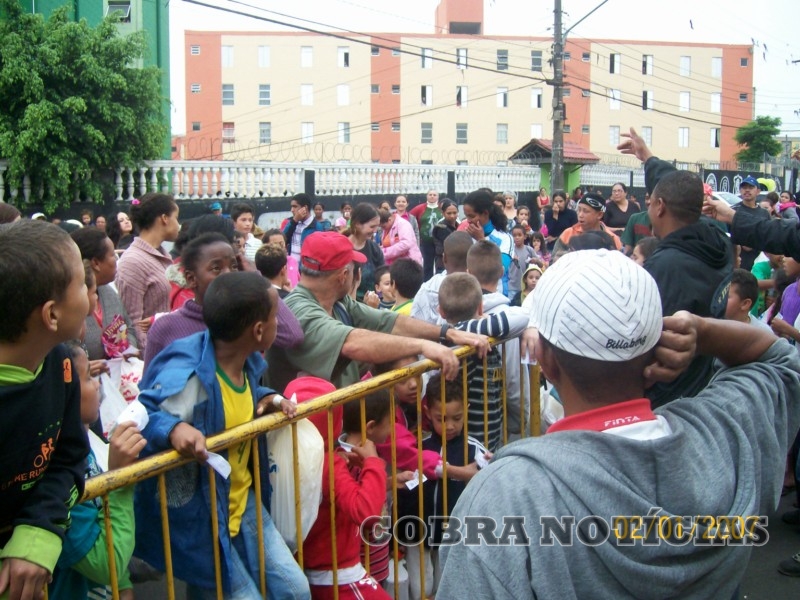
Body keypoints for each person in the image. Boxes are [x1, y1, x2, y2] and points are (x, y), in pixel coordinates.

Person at [438, 249, 800, 600]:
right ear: (657, 346)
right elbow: (780, 361)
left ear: (545, 361)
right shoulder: (723, 436)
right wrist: (702, 332)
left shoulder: (506, 497)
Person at [134, 272, 308, 599]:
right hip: (204, 516)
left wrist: (269, 398)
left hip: (244, 499)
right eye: (275, 317)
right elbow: (139, 415)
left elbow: (241, 396)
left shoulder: (247, 362)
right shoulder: (190, 376)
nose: (279, 323)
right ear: (259, 331)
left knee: (294, 591)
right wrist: (172, 428)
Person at [267, 231, 489, 391]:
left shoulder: (339, 302)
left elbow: (389, 321)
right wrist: (423, 346)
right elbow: (352, 342)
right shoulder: (298, 309)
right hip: (305, 436)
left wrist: (446, 333)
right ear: (344, 276)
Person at [0, 221, 90, 600]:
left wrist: (39, 528)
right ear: (51, 314)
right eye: (83, 283)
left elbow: (68, 458)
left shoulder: (59, 362)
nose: (91, 295)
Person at [49, 342, 145, 599]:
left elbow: (100, 515)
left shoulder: (79, 444)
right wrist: (119, 480)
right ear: (63, 392)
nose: (98, 384)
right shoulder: (55, 468)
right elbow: (106, 564)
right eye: (88, 377)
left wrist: (122, 584)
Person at [145, 234, 304, 369]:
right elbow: (149, 387)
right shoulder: (166, 327)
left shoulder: (245, 318)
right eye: (216, 268)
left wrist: (255, 277)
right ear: (191, 278)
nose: (228, 275)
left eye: (234, 267)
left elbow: (292, 336)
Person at [296, 378, 391, 600]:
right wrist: (373, 463)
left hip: (314, 571)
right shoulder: (329, 464)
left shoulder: (298, 457)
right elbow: (367, 513)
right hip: (338, 575)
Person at [437, 272, 527, 451]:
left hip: (485, 437)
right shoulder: (458, 335)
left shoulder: (457, 333)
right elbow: (523, 317)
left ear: (441, 311)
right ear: (480, 307)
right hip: (470, 446)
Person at [115, 192, 180, 353]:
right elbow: (132, 322)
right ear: (164, 218)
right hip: (154, 355)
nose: (178, 225)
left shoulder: (161, 255)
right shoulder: (133, 261)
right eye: (176, 218)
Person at [71, 227, 139, 374]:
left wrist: (127, 349)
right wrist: (82, 369)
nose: (116, 259)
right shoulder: (71, 305)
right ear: (96, 263)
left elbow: (129, 327)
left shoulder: (109, 292)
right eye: (112, 254)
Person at [410, 232, 473, 325]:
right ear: (471, 259)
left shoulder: (428, 289)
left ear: (444, 258)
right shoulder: (478, 287)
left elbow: (415, 323)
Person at [462, 189, 514, 297]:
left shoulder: (505, 238)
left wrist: (481, 240)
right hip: (470, 297)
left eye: (472, 216)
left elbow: (499, 270)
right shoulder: (466, 237)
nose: (468, 221)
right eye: (466, 216)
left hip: (496, 297)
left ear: (485, 213)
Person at [553, 192, 622, 254]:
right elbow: (554, 259)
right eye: (579, 210)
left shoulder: (613, 239)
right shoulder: (568, 233)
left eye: (585, 211)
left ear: (599, 215)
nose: (580, 215)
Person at [346, 203, 385, 302]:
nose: (375, 231)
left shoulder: (374, 249)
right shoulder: (341, 247)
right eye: (372, 227)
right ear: (357, 224)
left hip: (371, 304)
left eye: (377, 227)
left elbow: (382, 276)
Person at [410, 190, 443, 281]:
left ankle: (438, 283)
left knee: (440, 264)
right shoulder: (419, 208)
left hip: (440, 242)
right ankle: (426, 283)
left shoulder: (442, 207)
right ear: (427, 196)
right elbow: (410, 218)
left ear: (438, 197)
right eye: (430, 194)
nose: (432, 196)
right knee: (427, 265)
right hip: (425, 242)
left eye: (434, 195)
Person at [283, 193, 325, 263]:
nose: (292, 210)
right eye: (291, 207)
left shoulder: (316, 226)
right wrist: (294, 221)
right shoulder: (291, 222)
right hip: (291, 266)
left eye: (295, 206)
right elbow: (283, 239)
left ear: (305, 208)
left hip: (306, 268)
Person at [509, 225, 537, 299]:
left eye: (519, 235)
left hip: (526, 287)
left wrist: (535, 260)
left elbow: (540, 264)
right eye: (514, 235)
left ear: (525, 236)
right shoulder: (510, 250)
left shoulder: (529, 249)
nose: (517, 237)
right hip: (512, 286)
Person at [432, 199, 459, 274]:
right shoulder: (441, 228)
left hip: (456, 262)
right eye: (449, 213)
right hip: (443, 263)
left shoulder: (459, 226)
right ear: (443, 213)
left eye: (454, 213)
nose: (452, 216)